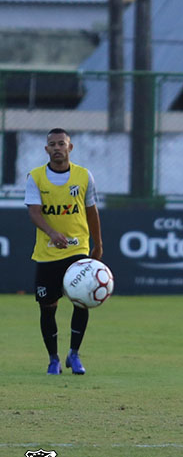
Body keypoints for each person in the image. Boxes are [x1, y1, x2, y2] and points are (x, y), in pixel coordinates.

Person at [24, 128, 104, 375]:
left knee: (83, 301)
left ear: (70, 148)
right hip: (47, 253)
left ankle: (74, 354)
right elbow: (34, 212)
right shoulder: (35, 177)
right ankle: (53, 359)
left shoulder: (83, 176)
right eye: (52, 144)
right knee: (48, 307)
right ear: (46, 149)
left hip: (77, 250)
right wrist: (52, 233)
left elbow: (91, 211)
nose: (57, 147)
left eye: (62, 143)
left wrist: (98, 243)